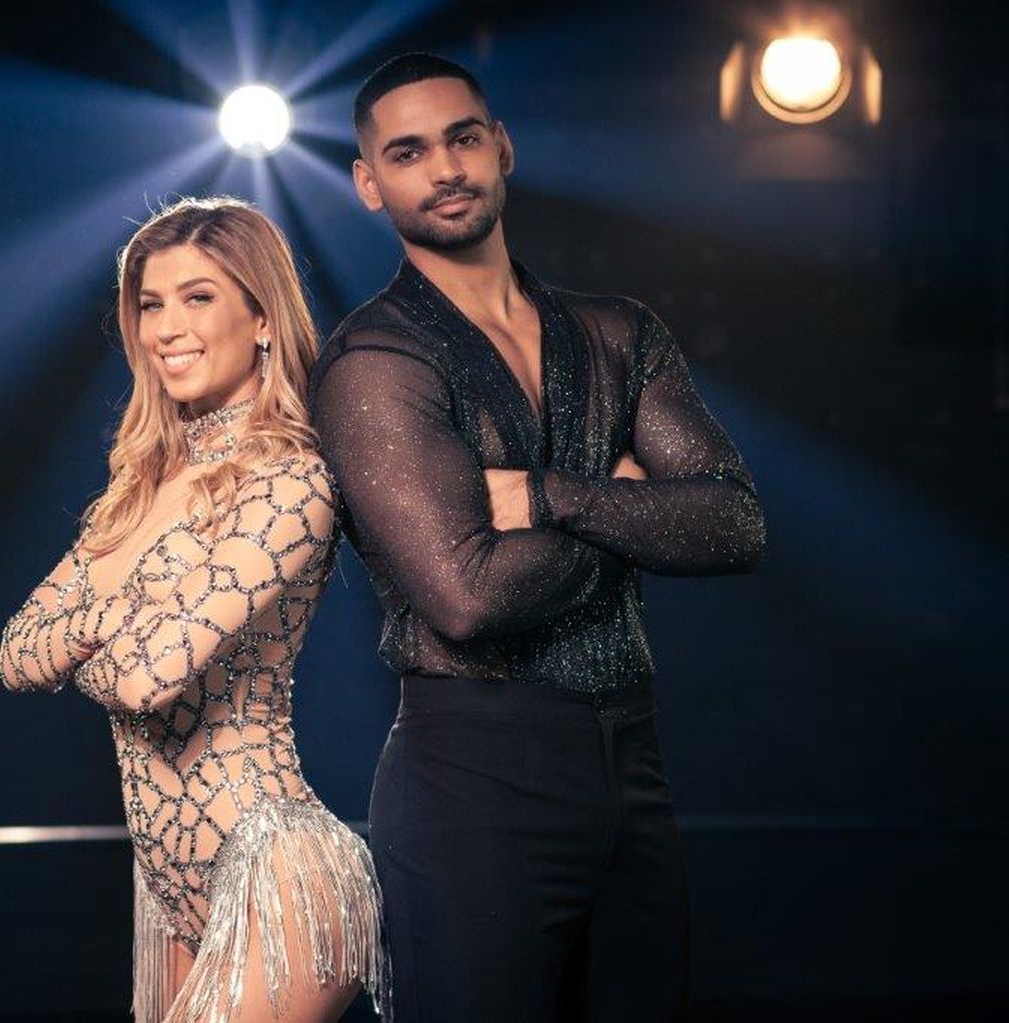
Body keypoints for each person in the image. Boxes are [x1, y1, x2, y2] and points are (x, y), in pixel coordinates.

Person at [306, 53, 767, 1021]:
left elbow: (732, 522)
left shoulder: (618, 332)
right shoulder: (375, 359)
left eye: (463, 138)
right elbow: (468, 600)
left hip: (632, 761)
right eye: (408, 152)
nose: (445, 168)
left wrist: (552, 495)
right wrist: (631, 504)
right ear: (368, 182)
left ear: (503, 146)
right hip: (472, 779)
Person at [0, 196, 392, 1023]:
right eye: (151, 304)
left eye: (198, 297)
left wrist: (96, 619)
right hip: (166, 886)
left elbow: (143, 679)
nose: (167, 327)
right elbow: (18, 654)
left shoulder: (291, 481)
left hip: (278, 874)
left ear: (262, 318)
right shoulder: (136, 489)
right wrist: (125, 619)